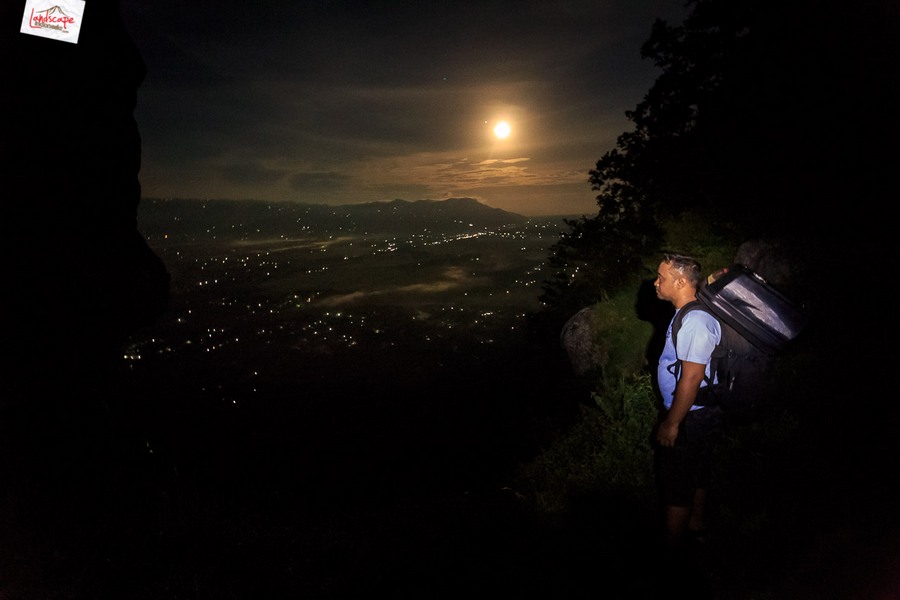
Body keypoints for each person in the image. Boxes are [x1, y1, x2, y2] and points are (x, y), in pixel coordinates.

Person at [653, 253, 723, 547]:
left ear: (680, 282)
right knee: (697, 471)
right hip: (700, 413)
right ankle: (696, 527)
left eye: (662, 278)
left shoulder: (695, 320)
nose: (655, 282)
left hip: (691, 415)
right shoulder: (693, 308)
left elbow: (691, 378)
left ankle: (673, 549)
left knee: (677, 483)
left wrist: (672, 422)